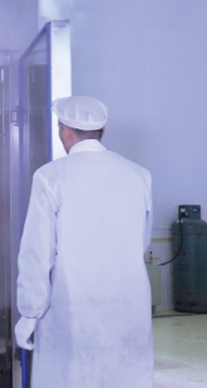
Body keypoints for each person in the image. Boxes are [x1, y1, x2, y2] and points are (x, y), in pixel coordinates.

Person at [14, 95, 153, 388]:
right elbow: (142, 241)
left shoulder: (50, 177)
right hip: (128, 307)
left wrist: (29, 312)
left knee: (72, 378)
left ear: (65, 131)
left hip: (72, 309)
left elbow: (38, 253)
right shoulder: (140, 176)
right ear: (102, 131)